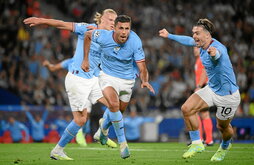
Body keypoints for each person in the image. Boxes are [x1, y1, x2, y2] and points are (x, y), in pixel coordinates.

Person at [24, 9, 118, 160]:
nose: (113, 23)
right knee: (80, 120)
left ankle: (101, 133)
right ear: (100, 21)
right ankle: (58, 150)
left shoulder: (110, 39)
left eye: (115, 20)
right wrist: (41, 20)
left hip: (92, 79)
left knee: (114, 105)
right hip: (77, 79)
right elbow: (62, 24)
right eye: (109, 19)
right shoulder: (87, 28)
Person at [159, 18, 240, 161]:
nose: (194, 36)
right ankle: (197, 143)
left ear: (207, 35)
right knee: (186, 108)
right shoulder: (200, 44)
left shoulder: (217, 48)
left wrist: (214, 54)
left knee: (222, 127)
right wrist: (169, 35)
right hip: (212, 89)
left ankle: (225, 145)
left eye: (197, 33)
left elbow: (217, 55)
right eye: (193, 33)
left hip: (228, 96)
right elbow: (186, 40)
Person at [82, 15, 155, 159]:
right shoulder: (102, 35)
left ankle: (102, 129)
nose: (123, 32)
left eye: (127, 28)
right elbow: (87, 35)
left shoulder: (135, 41)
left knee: (118, 112)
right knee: (114, 105)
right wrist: (85, 59)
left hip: (127, 80)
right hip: (107, 76)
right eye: (120, 28)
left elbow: (142, 67)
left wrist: (145, 80)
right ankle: (123, 144)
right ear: (114, 28)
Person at [193, 47, 214, 146]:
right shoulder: (199, 59)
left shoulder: (202, 58)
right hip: (205, 88)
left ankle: (200, 139)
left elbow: (205, 72)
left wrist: (199, 86)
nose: (194, 50)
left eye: (196, 48)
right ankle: (209, 140)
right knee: (204, 114)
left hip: (203, 88)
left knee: (195, 112)